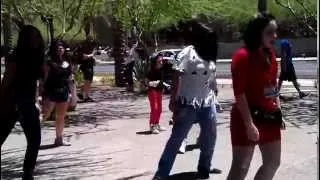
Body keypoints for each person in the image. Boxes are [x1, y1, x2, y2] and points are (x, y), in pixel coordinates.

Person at [153, 20, 218, 180]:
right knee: (176, 140)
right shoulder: (188, 53)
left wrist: (215, 93)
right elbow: (177, 75)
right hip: (188, 103)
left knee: (210, 137)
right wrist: (173, 99)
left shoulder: (209, 54)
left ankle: (204, 169)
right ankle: (161, 174)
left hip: (208, 103)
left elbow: (212, 76)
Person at [227, 13, 285, 180]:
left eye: (275, 32)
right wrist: (249, 124)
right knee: (241, 166)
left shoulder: (271, 54)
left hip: (269, 116)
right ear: (256, 32)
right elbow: (239, 93)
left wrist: (278, 111)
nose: (274, 36)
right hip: (247, 117)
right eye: (269, 32)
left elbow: (272, 85)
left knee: (273, 162)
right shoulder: (242, 56)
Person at [0, 25, 45, 179]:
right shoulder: (16, 56)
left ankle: (28, 173)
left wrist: (37, 100)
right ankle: (28, 173)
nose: (38, 40)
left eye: (38, 37)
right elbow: (6, 81)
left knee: (35, 138)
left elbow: (36, 82)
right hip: (12, 102)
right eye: (35, 37)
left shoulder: (37, 57)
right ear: (27, 39)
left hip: (27, 102)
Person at [41, 40, 72, 146]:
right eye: (58, 47)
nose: (60, 49)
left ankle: (59, 139)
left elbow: (69, 79)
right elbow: (43, 79)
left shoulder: (67, 63)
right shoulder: (48, 62)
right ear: (53, 49)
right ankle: (33, 138)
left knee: (60, 117)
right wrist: (41, 95)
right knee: (44, 115)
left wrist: (71, 93)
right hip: (51, 92)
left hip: (63, 92)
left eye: (62, 47)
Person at [146, 54, 167, 134]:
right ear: (155, 62)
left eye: (162, 60)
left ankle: (157, 124)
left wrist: (163, 86)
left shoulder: (161, 70)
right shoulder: (150, 71)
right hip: (152, 91)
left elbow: (161, 81)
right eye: (159, 61)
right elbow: (146, 82)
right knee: (154, 109)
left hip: (159, 91)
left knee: (159, 109)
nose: (161, 62)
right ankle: (152, 126)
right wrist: (152, 83)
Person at [77, 35, 97, 102]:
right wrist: (91, 55)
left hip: (89, 65)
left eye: (92, 39)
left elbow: (93, 54)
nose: (91, 40)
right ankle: (86, 96)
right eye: (90, 39)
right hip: (86, 65)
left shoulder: (92, 46)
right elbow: (84, 56)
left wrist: (92, 56)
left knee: (88, 81)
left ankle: (81, 93)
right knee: (87, 80)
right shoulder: (83, 46)